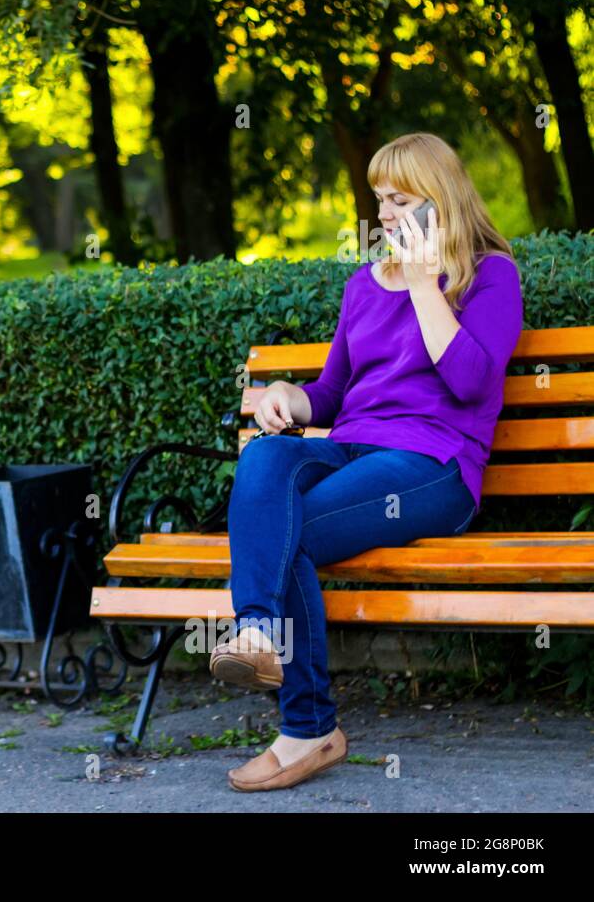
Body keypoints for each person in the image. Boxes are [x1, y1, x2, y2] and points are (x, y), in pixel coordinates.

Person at [214, 132, 523, 792]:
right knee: (267, 458)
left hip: (431, 465)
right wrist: (283, 397)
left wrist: (422, 286)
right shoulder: (362, 285)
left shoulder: (489, 273)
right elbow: (331, 393)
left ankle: (306, 729)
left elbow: (470, 381)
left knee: (282, 535)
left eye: (399, 199)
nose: (382, 212)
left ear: (439, 203)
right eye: (379, 197)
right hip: (350, 448)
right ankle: (260, 638)